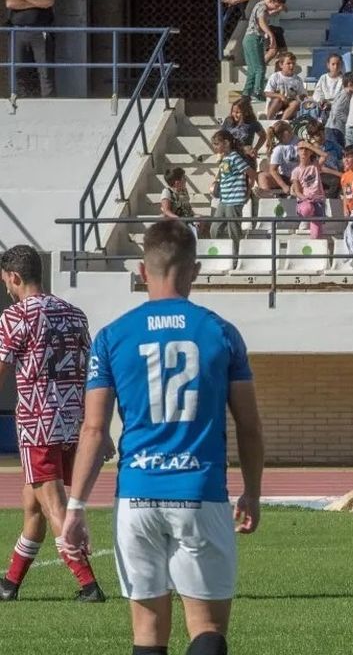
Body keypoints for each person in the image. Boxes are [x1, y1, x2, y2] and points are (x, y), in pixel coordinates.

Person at [61, 220, 265, 655]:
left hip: (137, 496)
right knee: (208, 630)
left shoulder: (113, 336)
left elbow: (94, 430)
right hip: (200, 493)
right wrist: (252, 491)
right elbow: (248, 424)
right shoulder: (221, 333)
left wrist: (75, 507)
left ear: (141, 270)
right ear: (193, 269)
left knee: (148, 635)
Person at [0, 245, 103, 602]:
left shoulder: (15, 316)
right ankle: (9, 584)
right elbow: (92, 370)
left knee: (55, 507)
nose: (7, 289)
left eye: (6, 282)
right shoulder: (75, 314)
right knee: (32, 505)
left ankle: (88, 585)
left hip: (37, 424)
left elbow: (1, 368)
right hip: (73, 423)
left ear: (14, 277)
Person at [4, 0, 57, 97]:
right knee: (17, 70)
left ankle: (49, 103)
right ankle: (19, 103)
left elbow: (48, 2)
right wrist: (36, 2)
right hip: (18, 32)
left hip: (40, 32)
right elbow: (9, 3)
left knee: (45, 71)